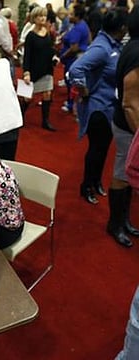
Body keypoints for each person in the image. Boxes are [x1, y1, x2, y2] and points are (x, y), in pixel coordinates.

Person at [68, 8, 128, 205]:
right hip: (97, 109)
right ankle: (86, 186)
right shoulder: (101, 48)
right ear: (121, 28)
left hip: (110, 107)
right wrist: (83, 90)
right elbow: (76, 69)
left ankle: (95, 182)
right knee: (96, 150)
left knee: (103, 150)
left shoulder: (114, 44)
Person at [107, 4, 139, 248]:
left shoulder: (131, 45)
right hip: (128, 124)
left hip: (127, 122)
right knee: (122, 173)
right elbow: (130, 102)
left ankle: (124, 220)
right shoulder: (136, 51)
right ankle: (115, 224)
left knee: (126, 175)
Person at [22, 6, 58, 132]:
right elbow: (27, 56)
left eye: (44, 15)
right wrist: (26, 72)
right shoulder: (30, 36)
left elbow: (49, 49)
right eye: (39, 16)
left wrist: (54, 56)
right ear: (34, 18)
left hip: (47, 68)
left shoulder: (47, 32)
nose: (43, 18)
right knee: (28, 97)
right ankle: (20, 116)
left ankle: (45, 121)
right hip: (34, 70)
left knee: (47, 93)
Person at [59, 4, 91, 113]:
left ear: (77, 16)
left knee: (72, 82)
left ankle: (71, 105)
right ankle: (71, 102)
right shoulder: (82, 24)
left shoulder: (78, 28)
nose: (69, 16)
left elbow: (74, 48)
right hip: (78, 57)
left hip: (73, 59)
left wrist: (62, 57)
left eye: (71, 14)